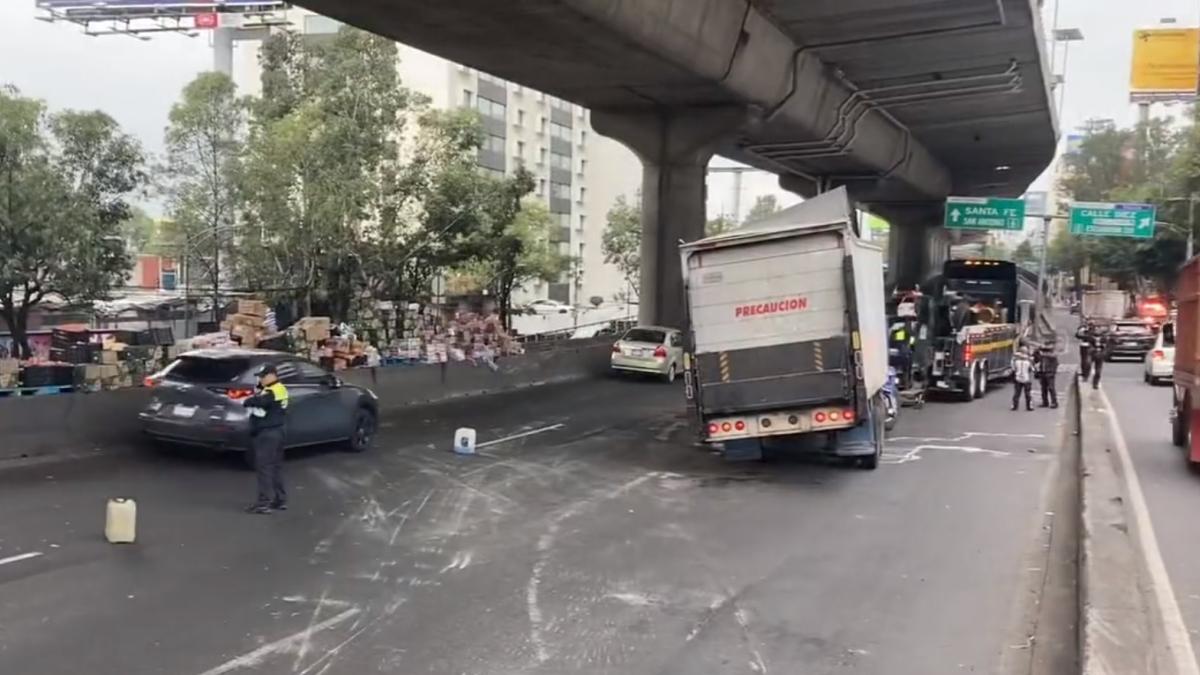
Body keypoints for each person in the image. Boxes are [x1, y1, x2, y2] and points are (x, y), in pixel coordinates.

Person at [243, 363, 290, 514]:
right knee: (275, 467)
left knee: (264, 467)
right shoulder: (279, 388)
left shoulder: (272, 391)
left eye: (263, 377)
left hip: (267, 433)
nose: (261, 380)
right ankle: (280, 499)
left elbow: (257, 402)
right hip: (278, 431)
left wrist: (251, 398)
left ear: (272, 375)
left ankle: (264, 502)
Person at [1036, 343, 1059, 409]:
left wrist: (1052, 372)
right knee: (1043, 388)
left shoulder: (1052, 356)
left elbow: (1055, 364)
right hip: (1043, 373)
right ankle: (1045, 402)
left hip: (1049, 373)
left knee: (1051, 388)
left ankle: (1054, 402)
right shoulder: (1042, 356)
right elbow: (1036, 357)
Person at [1012, 347, 1034, 411]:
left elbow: (1013, 369)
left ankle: (1014, 405)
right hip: (1026, 379)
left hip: (1018, 378)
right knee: (1028, 394)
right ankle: (1029, 406)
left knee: (1017, 393)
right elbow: (1032, 369)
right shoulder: (1028, 361)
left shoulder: (1016, 361)